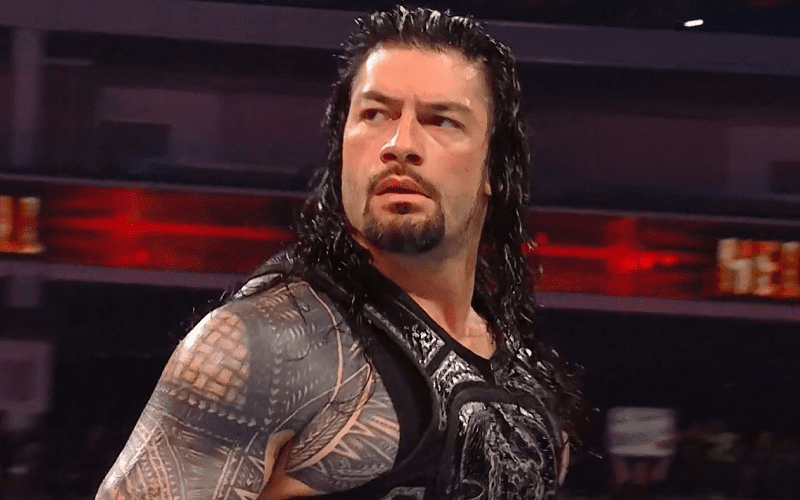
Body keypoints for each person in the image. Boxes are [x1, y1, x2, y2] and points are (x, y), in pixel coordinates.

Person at [96, 6, 584, 500]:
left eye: (441, 121)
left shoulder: (528, 387)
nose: (400, 144)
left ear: (493, 169)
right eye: (375, 115)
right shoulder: (263, 347)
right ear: (342, 147)